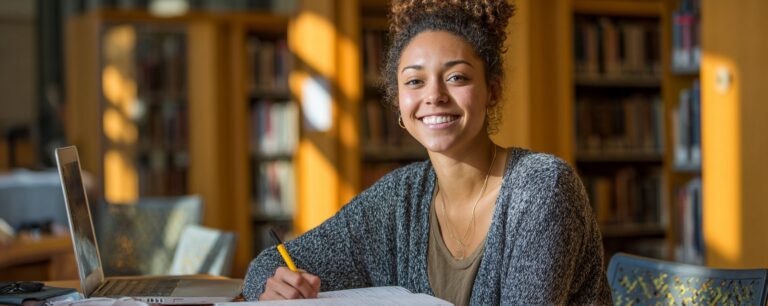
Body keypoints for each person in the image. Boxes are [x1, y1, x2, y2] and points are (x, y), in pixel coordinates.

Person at [243, 0, 611, 304]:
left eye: (456, 77)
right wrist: (274, 287)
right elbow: (267, 265)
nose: (433, 96)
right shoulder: (400, 197)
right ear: (399, 101)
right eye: (415, 81)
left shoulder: (541, 188)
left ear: (492, 91)